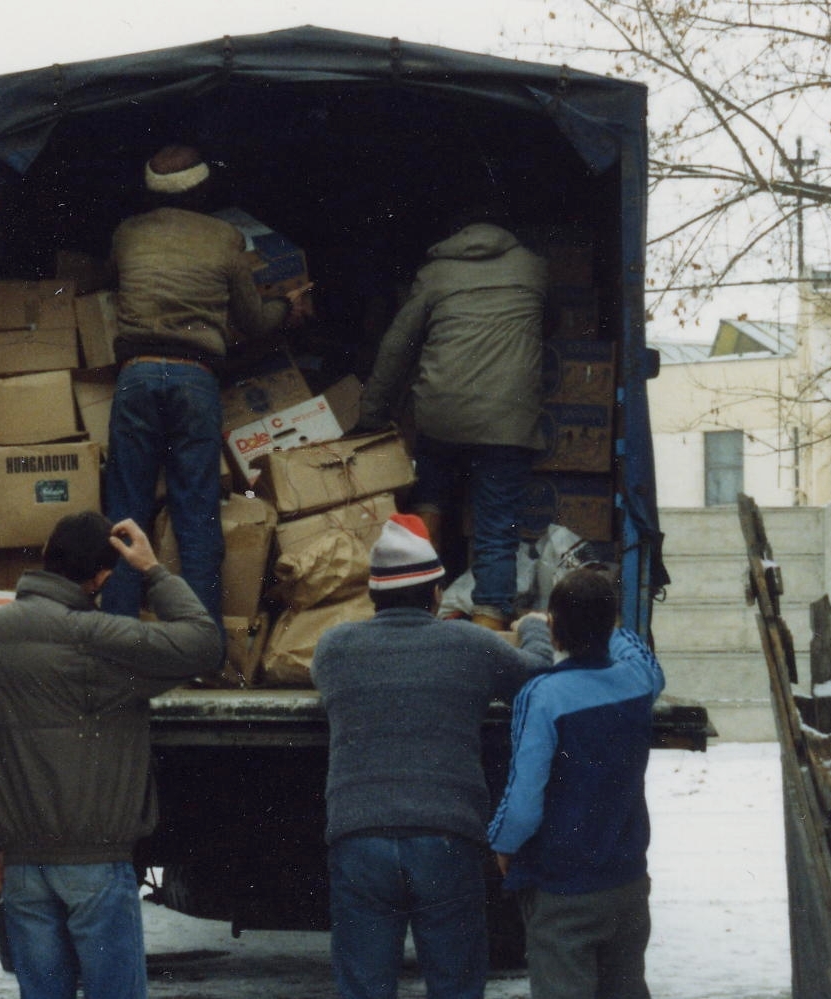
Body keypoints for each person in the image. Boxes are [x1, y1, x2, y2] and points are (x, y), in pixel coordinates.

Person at [0, 511, 222, 999]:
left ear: (47, 559)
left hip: (21, 864)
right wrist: (153, 570)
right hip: (96, 862)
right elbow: (202, 644)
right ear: (102, 577)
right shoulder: (98, 639)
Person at [311, 512, 554, 999]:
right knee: (455, 984)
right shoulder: (470, 644)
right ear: (437, 593)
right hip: (447, 837)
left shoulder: (333, 648)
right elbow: (536, 681)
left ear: (373, 595)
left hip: (359, 837)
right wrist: (534, 629)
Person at [101, 144, 310, 630]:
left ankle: (115, 631)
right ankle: (201, 642)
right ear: (204, 189)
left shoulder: (127, 233)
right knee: (196, 510)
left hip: (136, 375)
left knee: (125, 510)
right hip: (196, 381)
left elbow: (111, 280)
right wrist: (289, 309)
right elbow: (255, 322)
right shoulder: (226, 238)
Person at [355, 209, 548, 631]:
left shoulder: (436, 273)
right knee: (496, 529)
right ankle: (490, 627)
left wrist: (372, 415)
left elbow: (397, 347)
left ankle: (416, 614)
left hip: (441, 416)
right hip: (507, 420)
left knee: (431, 502)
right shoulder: (533, 268)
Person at [488, 568, 665, 999]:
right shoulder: (638, 681)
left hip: (563, 888)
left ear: (555, 631)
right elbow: (641, 656)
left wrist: (504, 844)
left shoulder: (544, 695)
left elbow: (524, 796)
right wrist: (611, 624)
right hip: (626, 883)